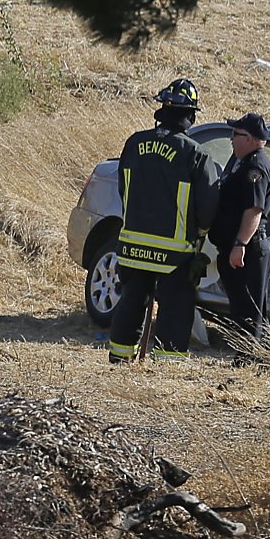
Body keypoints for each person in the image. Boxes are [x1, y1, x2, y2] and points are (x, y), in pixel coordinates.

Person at [107, 79, 221, 363]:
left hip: (133, 246)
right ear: (191, 115)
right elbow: (208, 205)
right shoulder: (195, 154)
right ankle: (167, 367)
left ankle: (119, 359)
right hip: (175, 252)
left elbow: (124, 188)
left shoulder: (134, 143)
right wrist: (200, 236)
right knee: (175, 309)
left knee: (131, 302)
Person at [210, 112, 270, 344]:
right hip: (233, 247)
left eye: (235, 134)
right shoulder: (240, 161)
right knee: (240, 306)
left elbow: (253, 211)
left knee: (250, 310)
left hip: (249, 250)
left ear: (249, 138)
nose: (231, 138)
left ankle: (250, 357)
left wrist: (240, 244)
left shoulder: (254, 168)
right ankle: (248, 354)